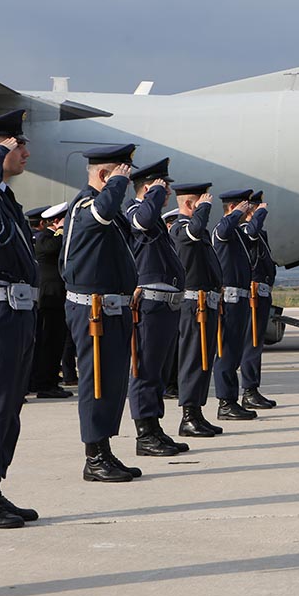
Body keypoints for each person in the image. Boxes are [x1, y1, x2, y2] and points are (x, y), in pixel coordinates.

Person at [61, 144, 142, 482]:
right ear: (106, 176)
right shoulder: (86, 206)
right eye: (121, 176)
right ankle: (93, 456)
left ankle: (104, 450)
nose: (124, 186)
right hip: (93, 311)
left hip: (114, 309)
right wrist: (116, 185)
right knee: (95, 384)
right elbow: (104, 210)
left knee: (111, 383)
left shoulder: (105, 209)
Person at [124, 158, 190, 457]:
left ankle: (154, 428)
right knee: (145, 370)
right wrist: (151, 194)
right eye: (164, 187)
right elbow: (143, 221)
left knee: (159, 372)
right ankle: (144, 434)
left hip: (165, 305)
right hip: (148, 305)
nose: (167, 193)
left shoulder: (155, 219)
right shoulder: (137, 212)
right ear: (148, 188)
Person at [0, 111, 41, 525]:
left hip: (16, 312)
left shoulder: (6, 197)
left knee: (9, 404)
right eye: (15, 144)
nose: (25, 152)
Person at [170, 182, 224, 438]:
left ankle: (197, 412)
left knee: (204, 360)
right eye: (201, 205)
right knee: (193, 359)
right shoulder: (182, 228)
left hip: (206, 303)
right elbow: (194, 230)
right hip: (192, 305)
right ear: (190, 204)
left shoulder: (198, 231)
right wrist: (201, 210)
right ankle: (188, 416)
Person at [212, 189, 260, 420]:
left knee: (235, 352)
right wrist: (235, 214)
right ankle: (225, 402)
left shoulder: (238, 234)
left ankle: (231, 399)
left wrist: (252, 214)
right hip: (229, 300)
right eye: (244, 206)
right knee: (226, 353)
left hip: (239, 299)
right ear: (232, 208)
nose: (248, 210)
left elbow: (252, 234)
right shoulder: (224, 229)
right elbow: (223, 228)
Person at [238, 190, 278, 407]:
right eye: (258, 209)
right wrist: (256, 215)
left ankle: (253, 387)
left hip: (262, 293)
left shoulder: (260, 233)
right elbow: (251, 233)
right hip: (253, 295)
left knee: (256, 343)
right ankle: (249, 391)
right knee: (251, 343)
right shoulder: (246, 229)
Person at [31, 202, 72, 399]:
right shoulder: (45, 236)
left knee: (57, 342)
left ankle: (51, 381)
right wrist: (62, 230)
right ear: (55, 221)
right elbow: (50, 248)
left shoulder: (59, 236)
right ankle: (43, 384)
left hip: (59, 297)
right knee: (48, 342)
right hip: (49, 297)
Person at [160, 208, 181, 399]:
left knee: (176, 347)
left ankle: (174, 383)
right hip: (165, 302)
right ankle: (168, 385)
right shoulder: (164, 246)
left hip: (177, 301)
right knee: (167, 349)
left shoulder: (174, 245)